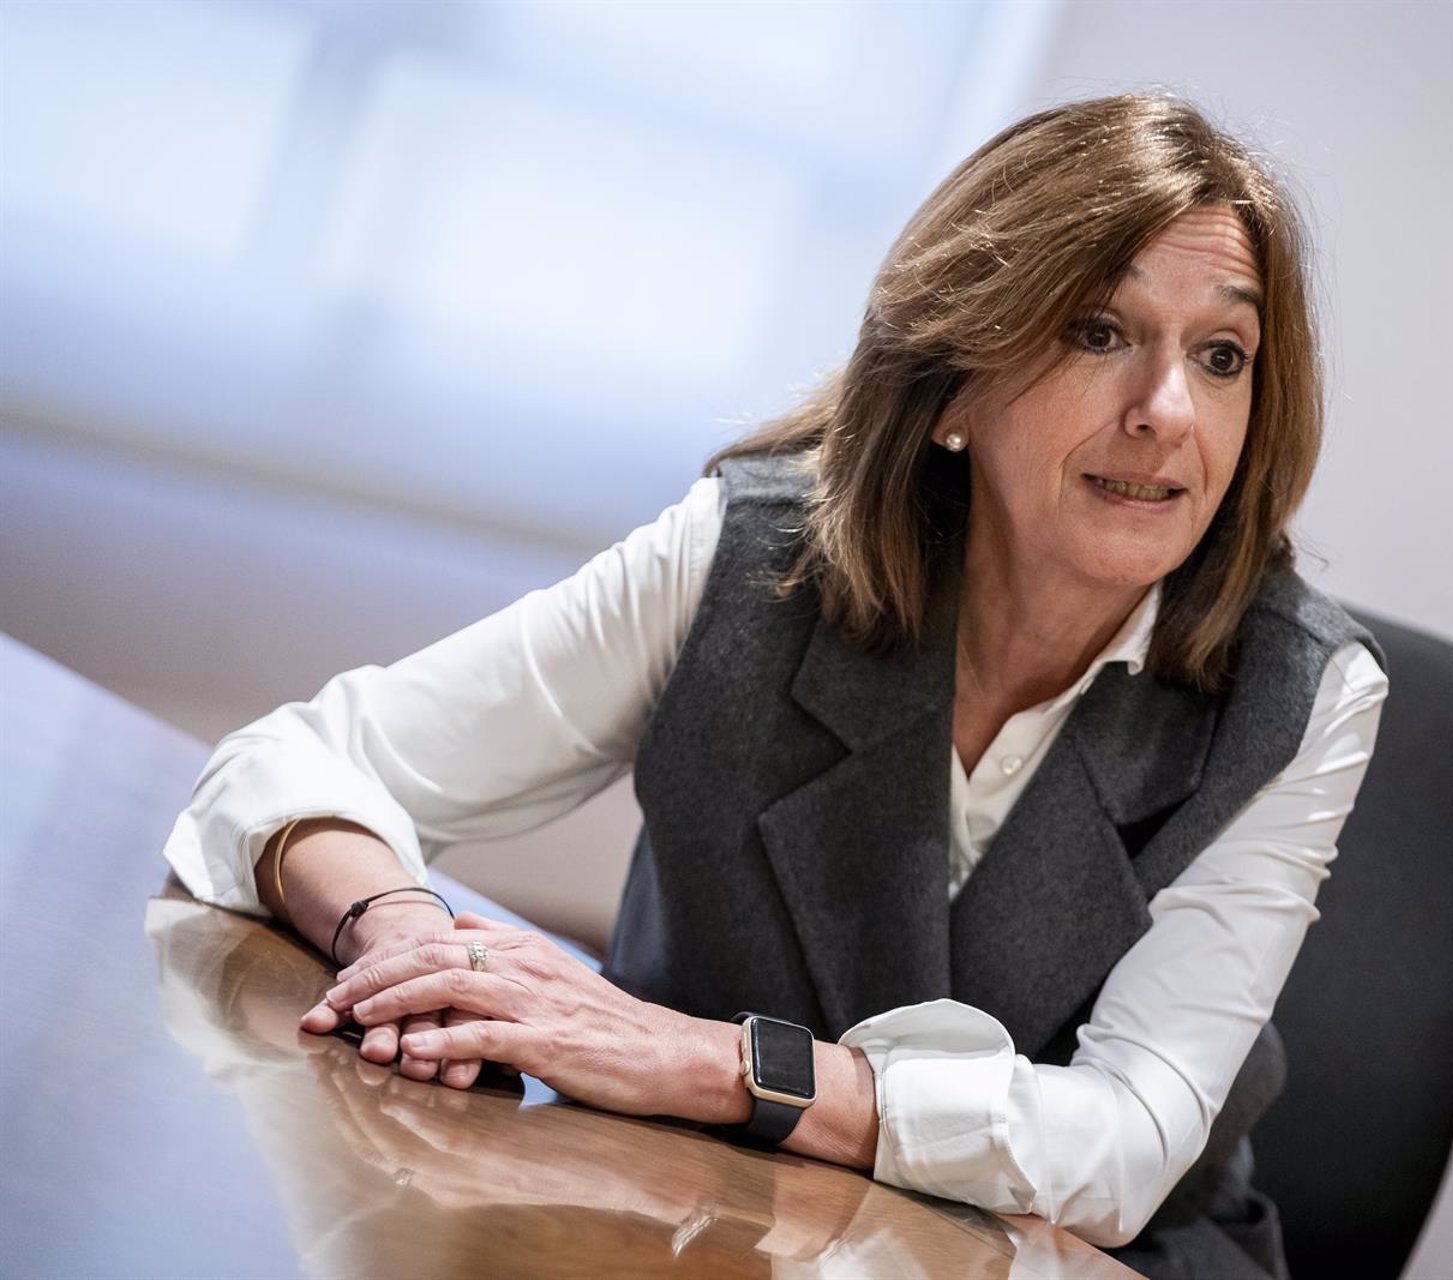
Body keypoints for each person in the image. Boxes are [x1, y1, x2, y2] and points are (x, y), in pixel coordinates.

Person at [164, 93, 1388, 1279]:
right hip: (682, 1214)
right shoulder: (751, 559)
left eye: (1221, 355)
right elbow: (293, 762)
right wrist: (409, 942)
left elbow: (1123, 1143)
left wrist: (720, 1064)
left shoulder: (1302, 694)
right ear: (956, 381)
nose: (1167, 411)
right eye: (1099, 332)